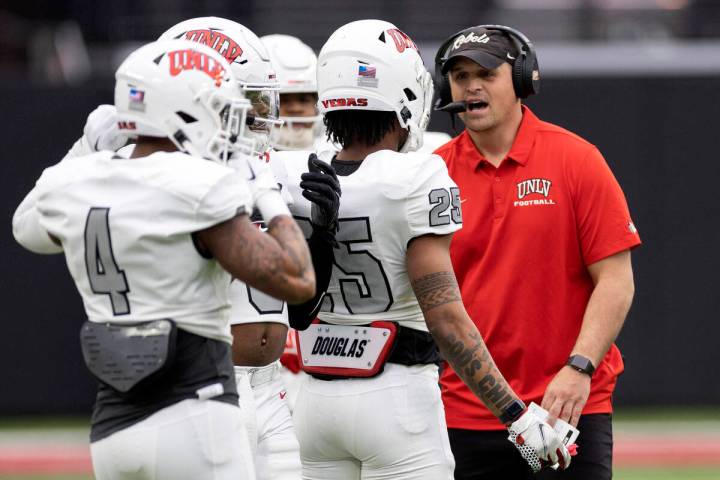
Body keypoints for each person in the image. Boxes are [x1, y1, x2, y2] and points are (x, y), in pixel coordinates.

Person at [272, 19, 571, 480]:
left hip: (310, 404)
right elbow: (448, 321)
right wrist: (516, 416)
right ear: (404, 93)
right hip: (395, 398)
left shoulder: (291, 173)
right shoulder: (416, 176)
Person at [12, 39, 315, 480]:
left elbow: (27, 229)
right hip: (195, 412)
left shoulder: (75, 181)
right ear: (183, 109)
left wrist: (86, 147)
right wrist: (266, 194)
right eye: (217, 105)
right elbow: (297, 277)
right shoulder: (198, 184)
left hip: (113, 426)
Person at [432, 25, 641, 479]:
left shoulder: (577, 160)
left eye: (486, 73)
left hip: (564, 407)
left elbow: (616, 280)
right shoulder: (432, 175)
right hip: (464, 411)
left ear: (524, 79)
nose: (471, 86)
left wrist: (578, 369)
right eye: (460, 75)